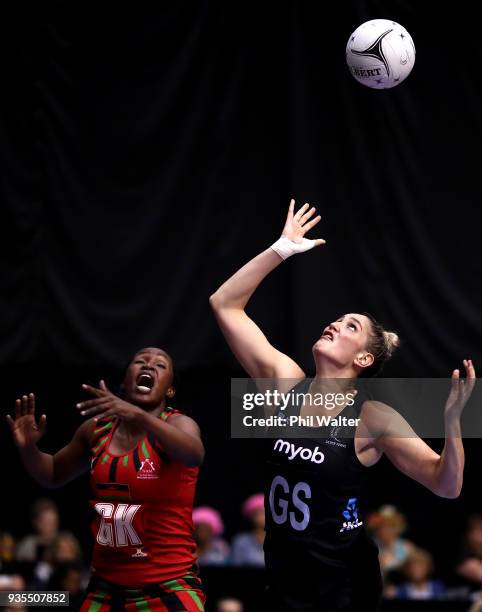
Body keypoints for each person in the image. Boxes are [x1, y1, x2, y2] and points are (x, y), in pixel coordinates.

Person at [209, 199, 476, 611]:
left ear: (364, 359)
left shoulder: (373, 417)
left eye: (351, 326)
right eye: (338, 319)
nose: (334, 323)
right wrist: (281, 248)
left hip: (343, 589)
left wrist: (453, 425)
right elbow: (224, 303)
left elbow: (446, 485)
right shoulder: (283, 382)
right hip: (283, 579)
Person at [7, 347, 206, 611]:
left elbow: (194, 454)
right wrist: (28, 449)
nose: (148, 366)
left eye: (160, 365)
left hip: (169, 588)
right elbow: (53, 473)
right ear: (124, 382)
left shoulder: (178, 424)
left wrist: (137, 415)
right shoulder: (96, 430)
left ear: (169, 390)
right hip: (105, 591)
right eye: (140, 361)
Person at [367, 505, 416, 579]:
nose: (384, 531)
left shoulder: (406, 546)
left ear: (396, 528)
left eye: (388, 527)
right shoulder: (371, 546)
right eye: (380, 528)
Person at [231, 493, 265, 567]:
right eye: (258, 514)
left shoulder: (280, 540)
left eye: (264, 513)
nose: (262, 517)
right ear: (250, 516)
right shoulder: (240, 541)